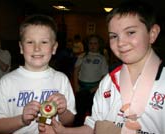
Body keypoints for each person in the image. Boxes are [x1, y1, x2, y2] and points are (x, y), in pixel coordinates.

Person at [41, 1, 165, 134]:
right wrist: (63, 131)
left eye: (130, 32)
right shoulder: (108, 82)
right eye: (114, 36)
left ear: (152, 33)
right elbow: (93, 127)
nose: (121, 42)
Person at [0, 14, 76, 133]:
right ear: (21, 47)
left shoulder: (61, 80)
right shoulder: (6, 82)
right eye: (30, 42)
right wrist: (21, 120)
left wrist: (63, 111)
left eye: (44, 42)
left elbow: (69, 121)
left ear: (54, 48)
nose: (37, 48)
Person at [73, 34, 108, 126]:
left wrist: (96, 88)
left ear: (99, 45)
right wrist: (76, 85)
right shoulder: (82, 56)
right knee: (79, 113)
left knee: (93, 113)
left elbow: (104, 76)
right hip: (81, 88)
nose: (93, 45)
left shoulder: (102, 59)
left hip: (95, 90)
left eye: (95, 43)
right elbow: (76, 71)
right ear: (87, 45)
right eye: (90, 43)